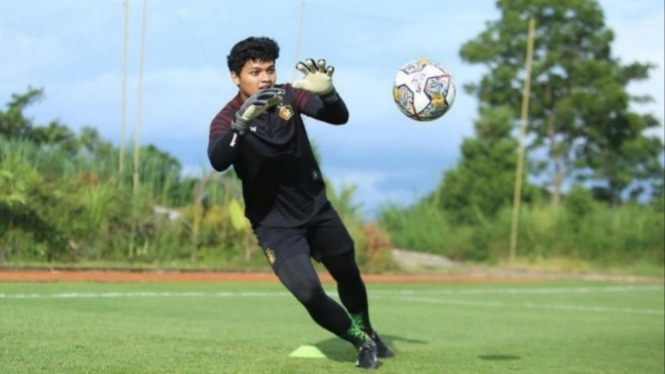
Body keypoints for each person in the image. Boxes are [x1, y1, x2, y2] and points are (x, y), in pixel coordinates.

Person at [207, 36, 394, 370]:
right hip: (275, 225)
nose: (265, 78)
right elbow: (219, 159)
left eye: (269, 69)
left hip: (317, 210)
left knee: (348, 275)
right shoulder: (226, 118)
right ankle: (360, 340)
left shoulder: (289, 95)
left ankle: (368, 329)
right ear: (235, 77)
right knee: (308, 292)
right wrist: (242, 124)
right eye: (255, 72)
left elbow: (339, 117)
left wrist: (329, 93)